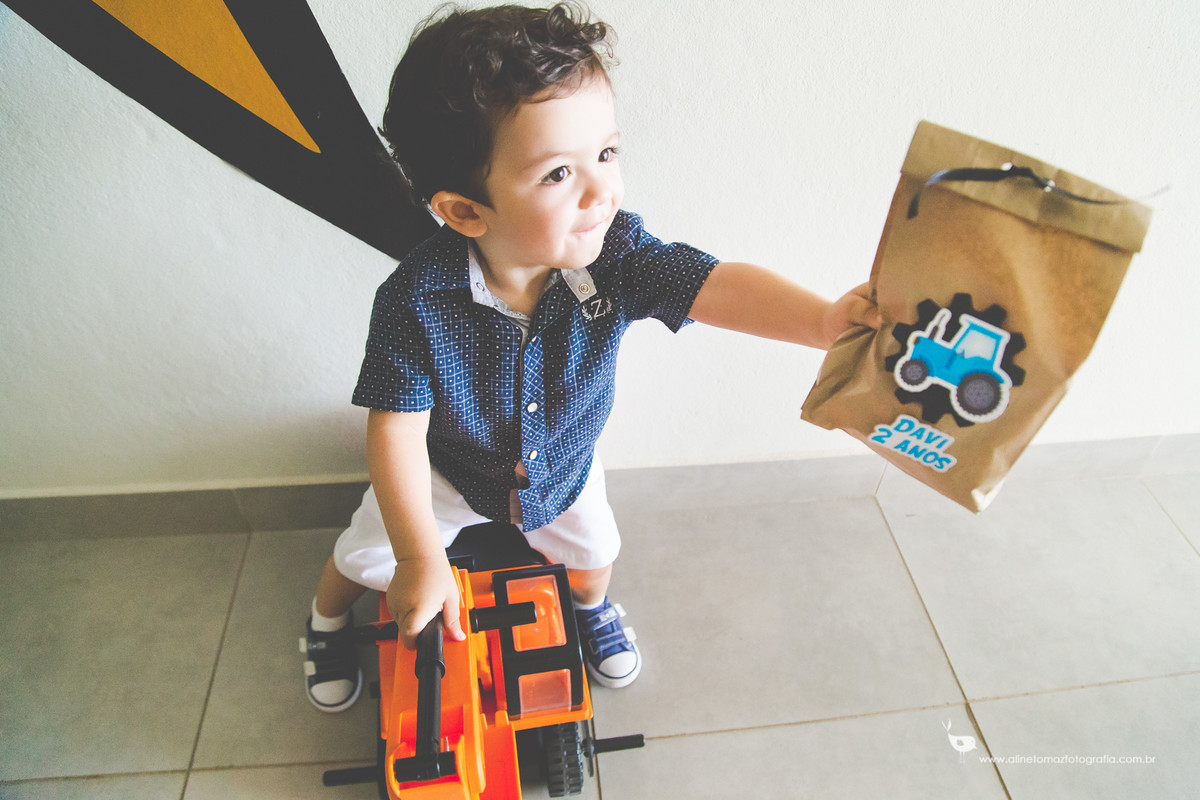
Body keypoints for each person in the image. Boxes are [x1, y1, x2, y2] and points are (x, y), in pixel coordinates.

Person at [300, 2, 880, 712]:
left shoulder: (620, 258)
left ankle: (590, 611)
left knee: (595, 555)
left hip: (564, 465)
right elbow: (395, 429)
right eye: (557, 175)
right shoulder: (413, 300)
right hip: (446, 473)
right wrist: (421, 557)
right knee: (364, 556)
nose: (602, 190)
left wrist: (821, 320)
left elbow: (712, 285)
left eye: (606, 153)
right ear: (464, 212)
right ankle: (324, 621)